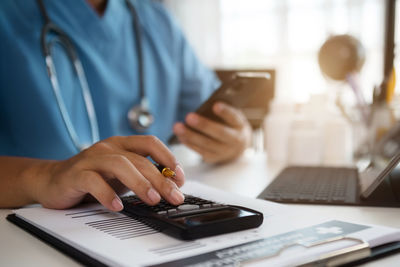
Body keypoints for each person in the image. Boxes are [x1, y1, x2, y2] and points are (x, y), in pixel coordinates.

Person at [0, 0, 251, 211]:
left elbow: (214, 118)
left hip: (142, 219)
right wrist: (43, 176)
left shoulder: (157, 20)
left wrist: (236, 139)